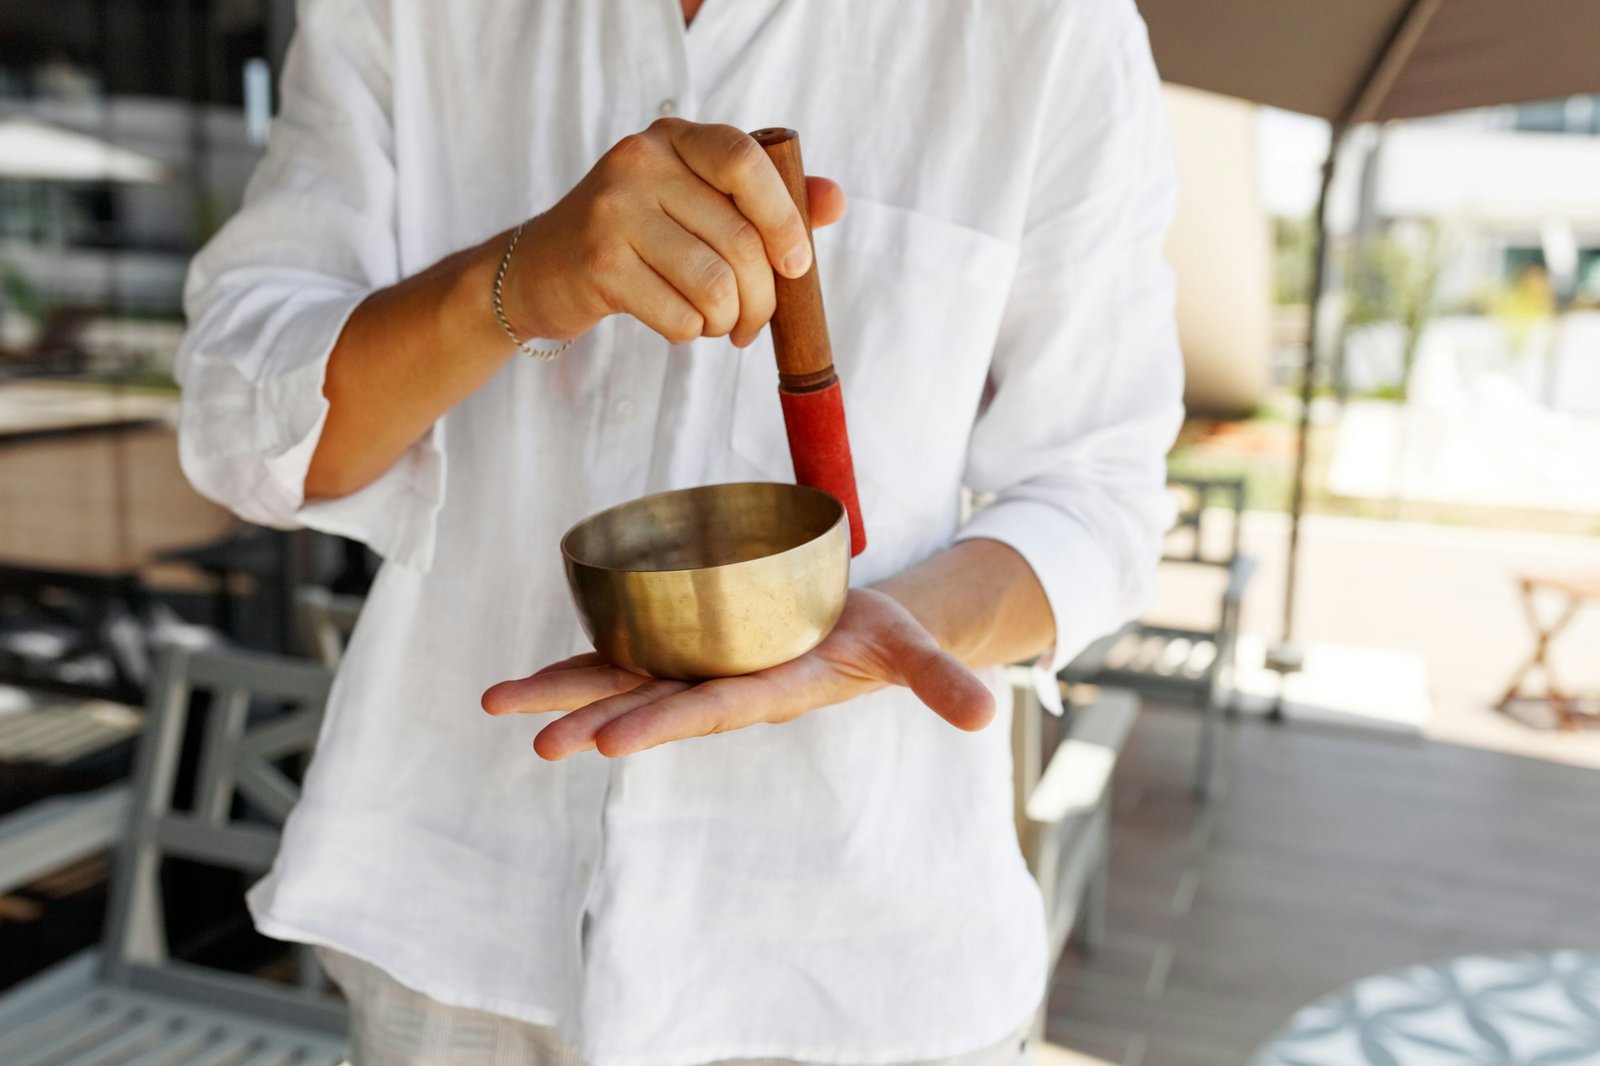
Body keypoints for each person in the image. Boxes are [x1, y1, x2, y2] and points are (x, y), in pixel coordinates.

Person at [175, 0, 1183, 1062]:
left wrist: (881, 636)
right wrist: (515, 281)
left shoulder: (1047, 27)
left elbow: (1097, 490)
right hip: (457, 927)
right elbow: (241, 427)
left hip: (853, 964)